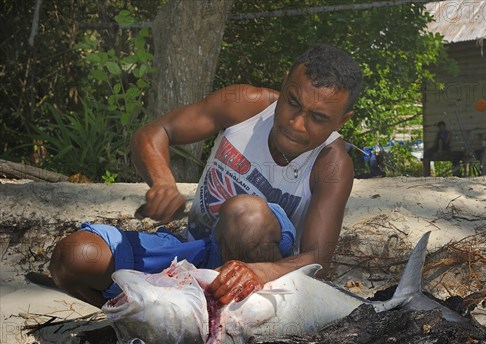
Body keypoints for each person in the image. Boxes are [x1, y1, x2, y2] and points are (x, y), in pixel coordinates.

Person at [48, 44, 363, 308]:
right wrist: (162, 181)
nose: (296, 123)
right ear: (284, 84)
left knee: (246, 214)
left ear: (342, 120)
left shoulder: (332, 164)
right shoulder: (245, 105)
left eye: (318, 117)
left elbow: (317, 260)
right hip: (189, 248)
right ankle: (131, 319)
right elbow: (155, 132)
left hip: (255, 276)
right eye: (293, 102)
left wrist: (261, 273)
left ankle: (225, 324)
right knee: (74, 257)